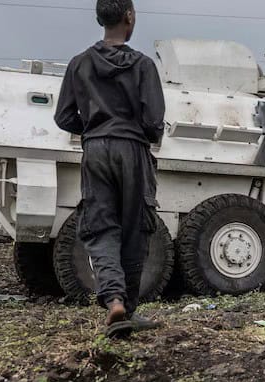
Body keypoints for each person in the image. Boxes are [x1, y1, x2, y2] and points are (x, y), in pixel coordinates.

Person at [55, 0, 166, 338]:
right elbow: (153, 120)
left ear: (100, 19)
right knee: (135, 229)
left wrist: (93, 128)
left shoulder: (79, 64)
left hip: (96, 150)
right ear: (129, 17)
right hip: (132, 149)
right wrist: (141, 132)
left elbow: (62, 117)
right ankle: (127, 309)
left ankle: (115, 302)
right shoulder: (144, 66)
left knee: (101, 227)